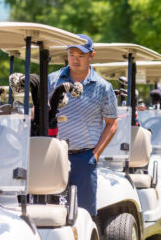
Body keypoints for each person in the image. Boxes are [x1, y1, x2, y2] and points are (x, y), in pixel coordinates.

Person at [48, 34, 118, 216]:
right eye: (72, 54)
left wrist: (94, 155)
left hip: (84, 159)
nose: (75, 59)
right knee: (52, 212)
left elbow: (112, 122)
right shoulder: (52, 81)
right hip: (53, 156)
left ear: (91, 56)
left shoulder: (103, 87)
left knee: (84, 215)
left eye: (81, 55)